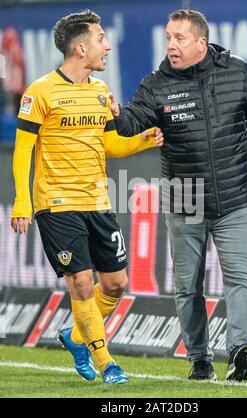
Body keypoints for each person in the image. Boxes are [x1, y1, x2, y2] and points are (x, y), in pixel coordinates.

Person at [110, 9, 247, 381]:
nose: (172, 45)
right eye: (168, 38)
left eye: (179, 38)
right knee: (187, 286)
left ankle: (241, 349)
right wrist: (115, 114)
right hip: (185, 200)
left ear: (201, 43)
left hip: (235, 196)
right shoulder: (156, 84)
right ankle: (199, 359)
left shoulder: (237, 72)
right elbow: (132, 122)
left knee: (240, 277)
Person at [10, 10, 163, 385]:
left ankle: (76, 338)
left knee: (115, 284)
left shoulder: (100, 92)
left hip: (98, 202)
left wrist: (142, 139)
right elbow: (22, 150)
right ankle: (107, 362)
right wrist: (22, 202)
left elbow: (108, 144)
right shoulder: (40, 92)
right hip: (57, 205)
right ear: (81, 48)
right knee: (80, 282)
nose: (106, 45)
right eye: (100, 39)